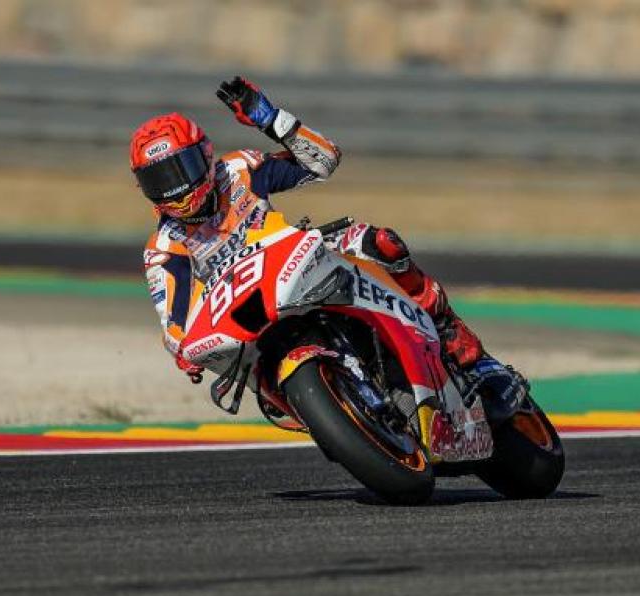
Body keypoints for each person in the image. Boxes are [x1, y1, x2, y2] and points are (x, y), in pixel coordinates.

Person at [131, 76, 520, 421]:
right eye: (158, 180)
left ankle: (470, 355)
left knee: (381, 243)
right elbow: (174, 325)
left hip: (296, 260)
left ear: (204, 156)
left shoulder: (240, 171)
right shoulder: (163, 249)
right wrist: (185, 353)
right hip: (246, 317)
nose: (175, 189)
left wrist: (272, 120)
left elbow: (323, 161)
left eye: (179, 170)